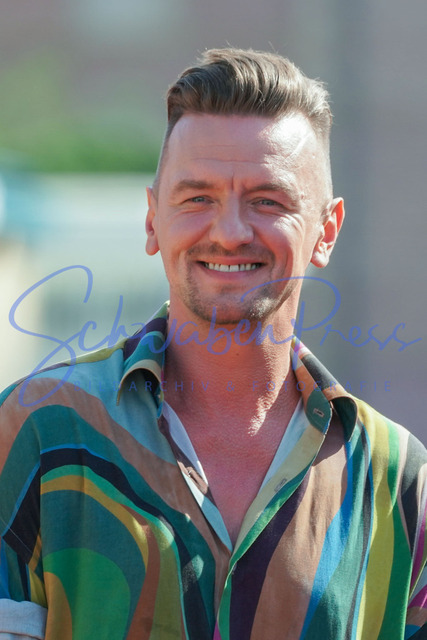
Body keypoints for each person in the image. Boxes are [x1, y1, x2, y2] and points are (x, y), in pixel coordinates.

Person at [0, 48, 426, 640]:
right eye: (197, 198)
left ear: (326, 231)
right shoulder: (35, 432)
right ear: (153, 219)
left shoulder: (397, 481)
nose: (229, 233)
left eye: (268, 201)